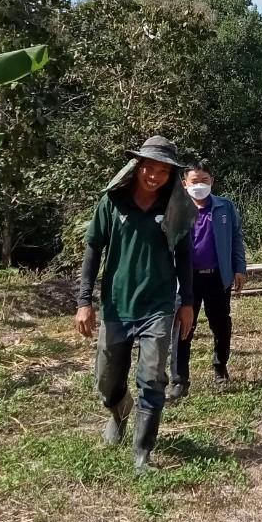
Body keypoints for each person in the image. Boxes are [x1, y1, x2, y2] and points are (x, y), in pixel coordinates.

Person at [75, 135, 195, 472]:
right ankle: (118, 409)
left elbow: (184, 256)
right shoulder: (112, 202)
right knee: (106, 380)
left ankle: (142, 454)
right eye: (149, 168)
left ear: (171, 175)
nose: (154, 176)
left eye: (163, 171)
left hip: (158, 305)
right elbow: (93, 249)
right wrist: (84, 301)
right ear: (137, 166)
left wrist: (186, 302)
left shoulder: (175, 208)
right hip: (116, 305)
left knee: (152, 379)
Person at [166, 159, 247, 401]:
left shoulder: (225, 207)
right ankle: (179, 379)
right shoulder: (175, 209)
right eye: (194, 181)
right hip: (186, 280)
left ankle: (220, 367)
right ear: (184, 183)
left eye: (204, 180)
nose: (199, 185)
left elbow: (236, 238)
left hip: (217, 278)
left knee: (221, 325)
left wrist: (239, 268)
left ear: (212, 181)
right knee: (183, 328)